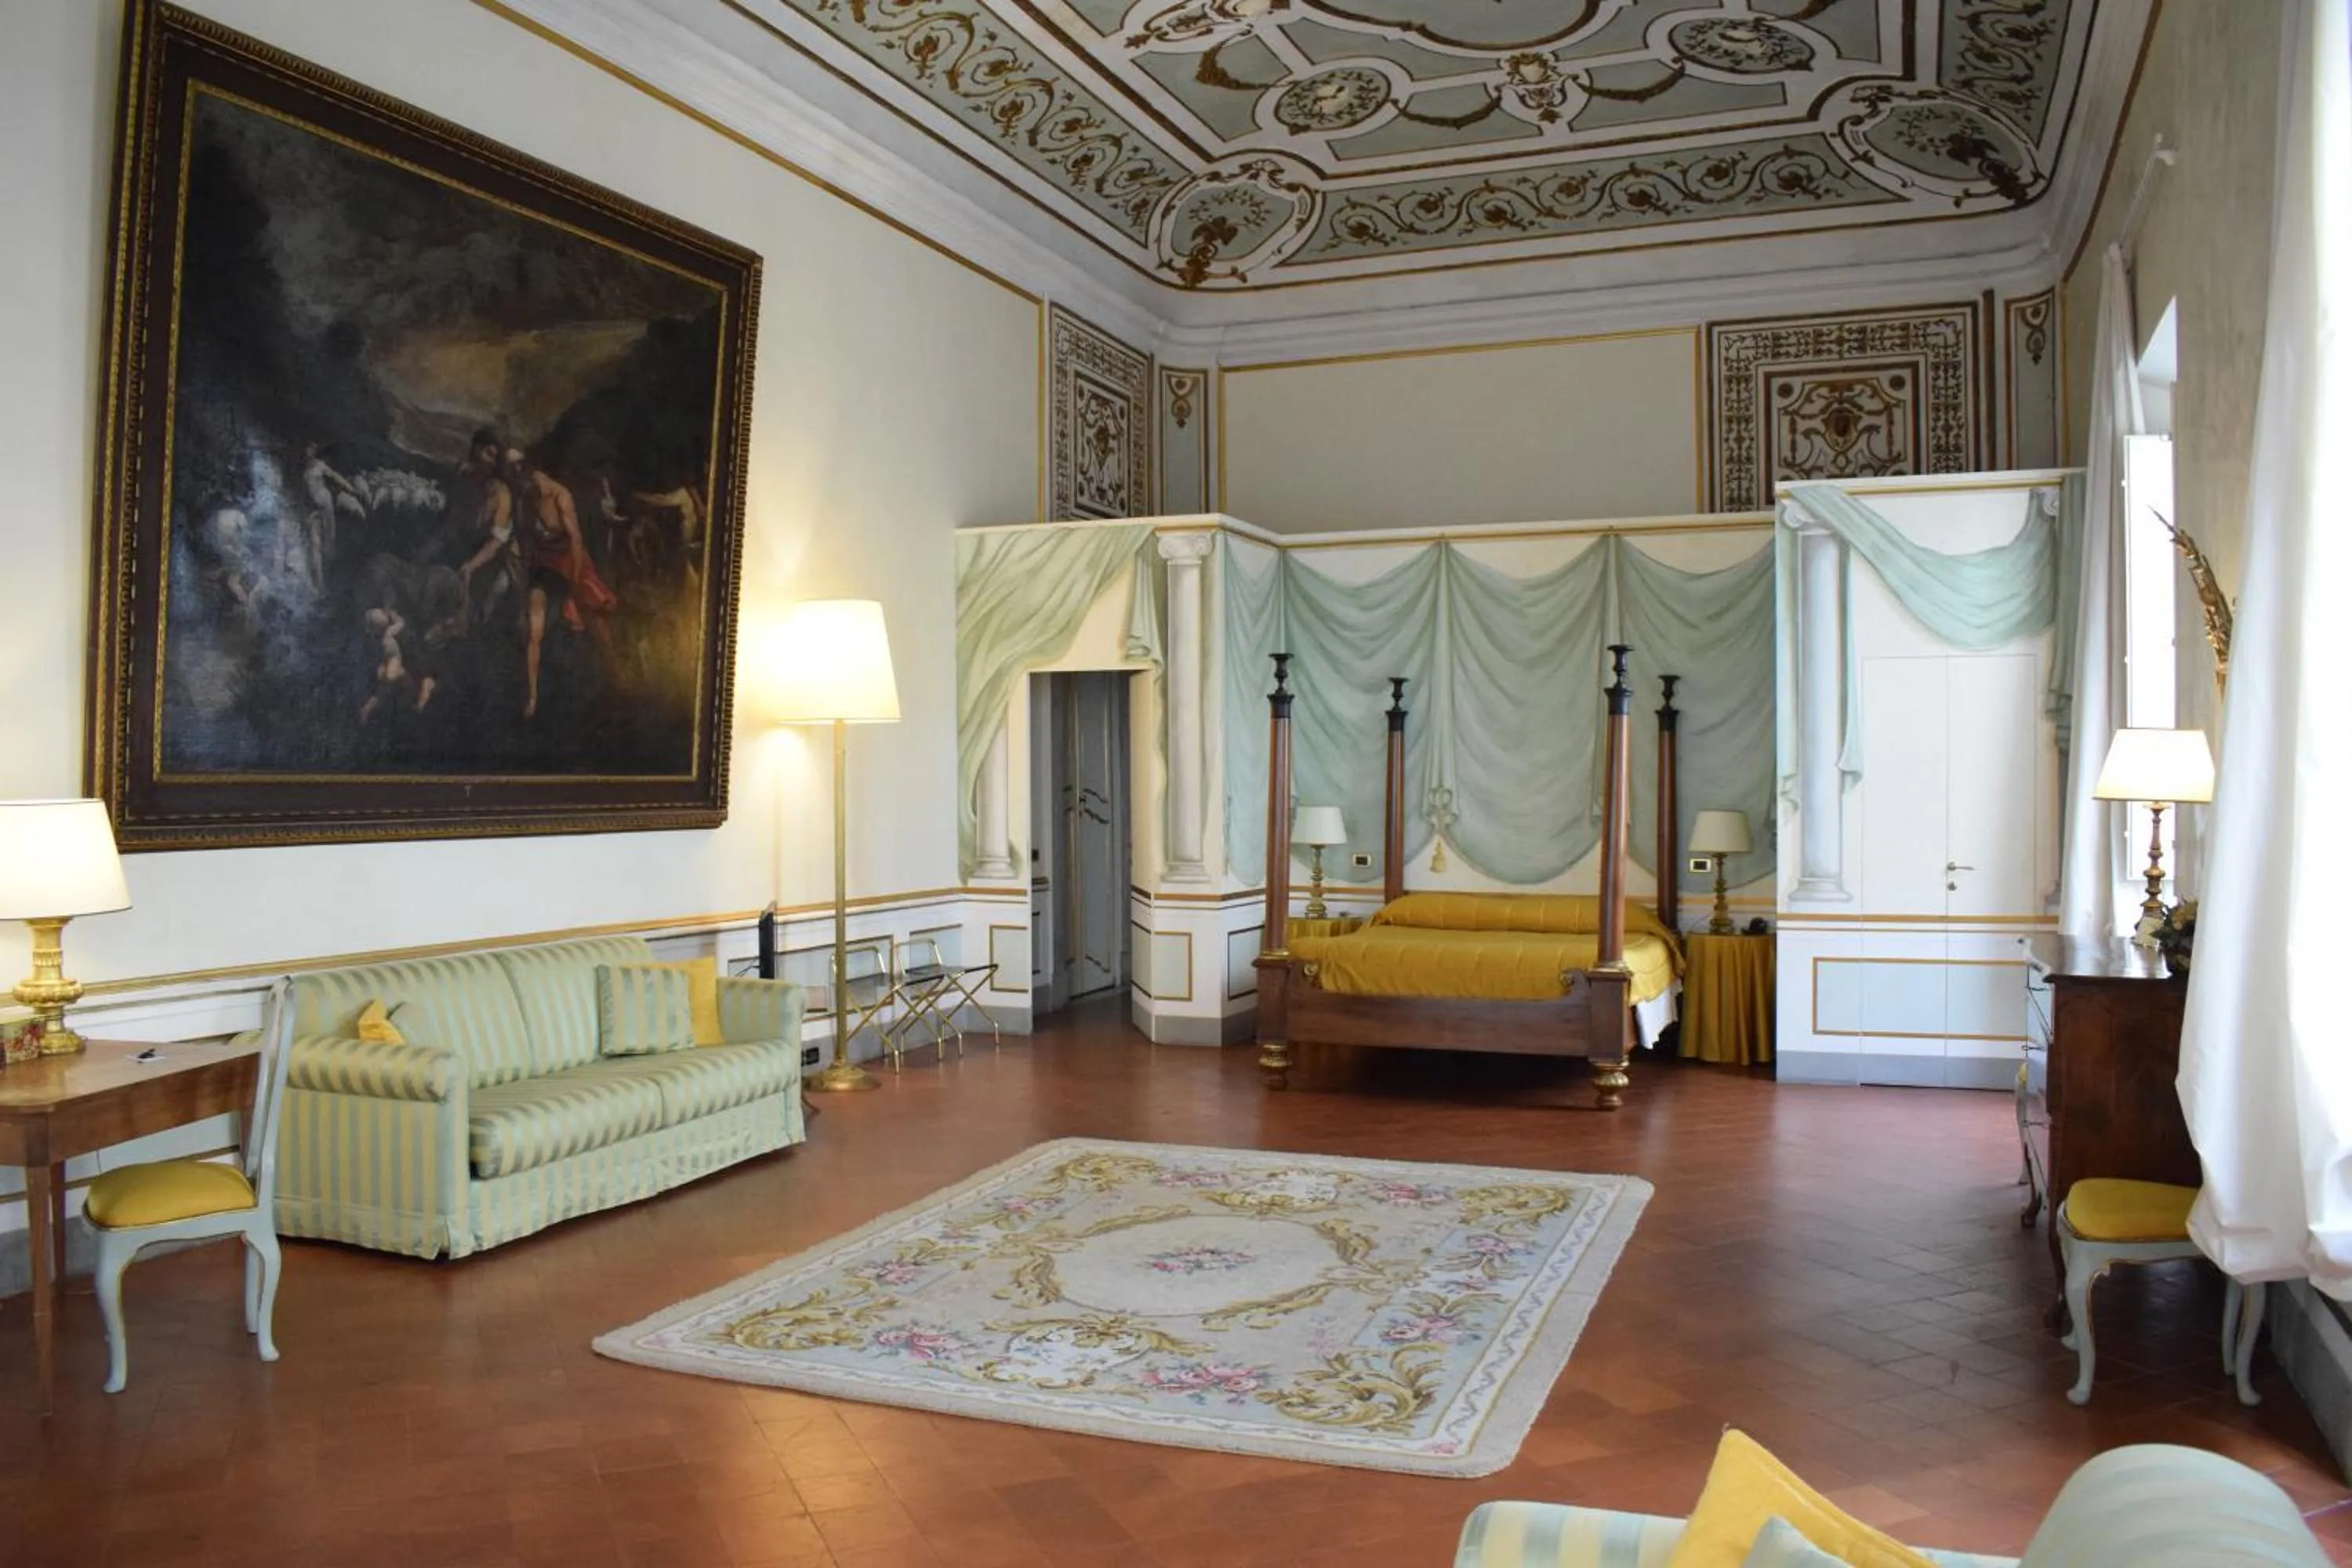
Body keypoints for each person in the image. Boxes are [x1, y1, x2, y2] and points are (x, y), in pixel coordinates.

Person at [505, 448, 618, 720]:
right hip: (544, 563)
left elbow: (576, 541)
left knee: (593, 616)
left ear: (533, 465)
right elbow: (525, 538)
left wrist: (574, 586)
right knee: (534, 626)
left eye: (521, 465)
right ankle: (532, 697)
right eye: (512, 468)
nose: (518, 472)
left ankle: (617, 674)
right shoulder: (525, 499)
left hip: (571, 560)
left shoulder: (560, 496)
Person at [299, 442, 360, 590]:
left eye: (311, 449)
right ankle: (320, 583)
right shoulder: (304, 467)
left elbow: (334, 475)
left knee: (328, 537)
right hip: (314, 507)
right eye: (307, 449)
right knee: (315, 544)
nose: (308, 452)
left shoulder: (319, 465)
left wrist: (350, 488)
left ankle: (328, 574)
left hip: (325, 504)